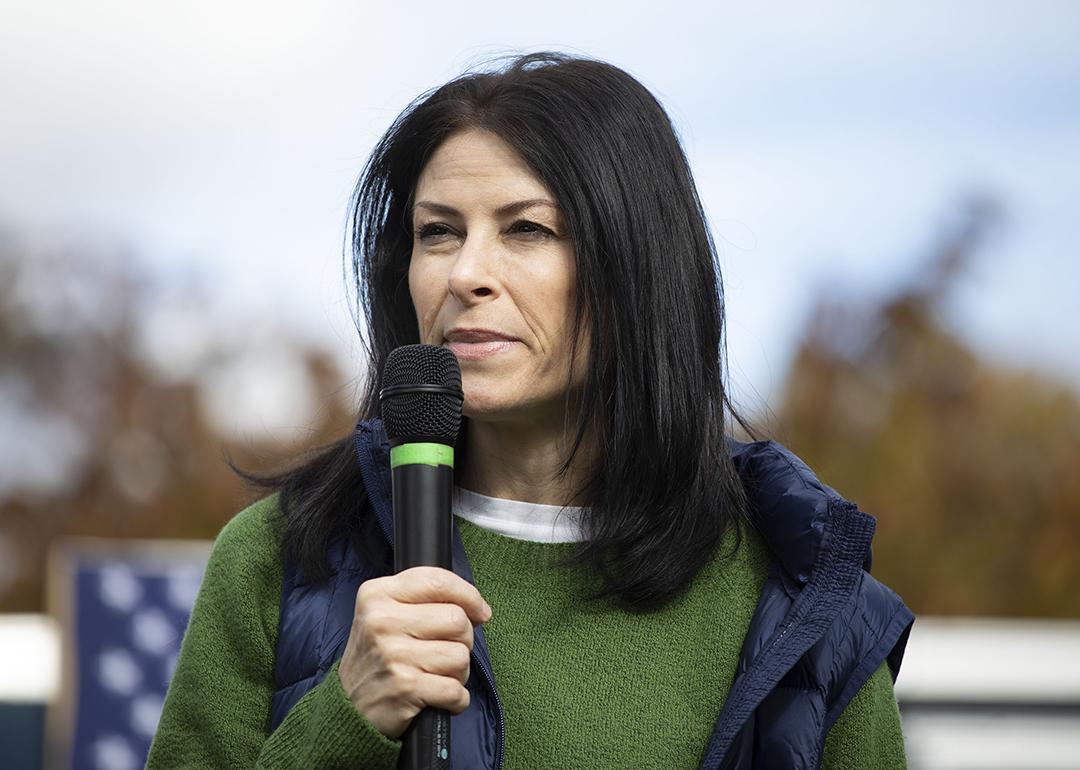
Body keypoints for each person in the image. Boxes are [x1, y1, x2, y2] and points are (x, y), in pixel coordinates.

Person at [147, 52, 913, 769]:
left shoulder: (802, 592)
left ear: (634, 269)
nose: (466, 273)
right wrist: (345, 720)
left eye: (527, 229)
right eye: (437, 232)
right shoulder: (280, 560)